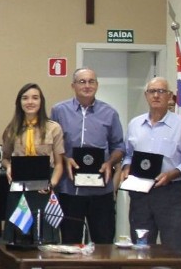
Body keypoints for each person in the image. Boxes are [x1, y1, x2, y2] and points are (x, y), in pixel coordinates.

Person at [119, 77, 181, 252]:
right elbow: (128, 155)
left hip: (170, 193)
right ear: (146, 95)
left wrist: (172, 174)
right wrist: (126, 167)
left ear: (170, 96)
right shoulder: (135, 124)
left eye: (161, 91)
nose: (156, 95)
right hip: (140, 194)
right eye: (152, 91)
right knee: (141, 247)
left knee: (174, 247)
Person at [49, 68, 125, 244]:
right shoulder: (59, 111)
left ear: (97, 85)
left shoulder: (110, 113)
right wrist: (65, 159)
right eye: (82, 81)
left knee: (104, 242)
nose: (87, 86)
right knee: (70, 243)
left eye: (91, 81)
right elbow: (52, 145)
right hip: (69, 189)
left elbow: (119, 146)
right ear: (73, 86)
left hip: (101, 190)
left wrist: (110, 162)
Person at [0, 83, 64, 243]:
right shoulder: (11, 129)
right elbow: (5, 158)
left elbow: (59, 164)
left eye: (35, 98)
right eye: (25, 98)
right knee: (19, 237)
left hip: (44, 187)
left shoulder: (53, 128)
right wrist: (9, 167)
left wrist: (51, 184)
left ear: (41, 101)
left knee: (45, 237)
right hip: (19, 187)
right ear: (19, 102)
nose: (30, 102)